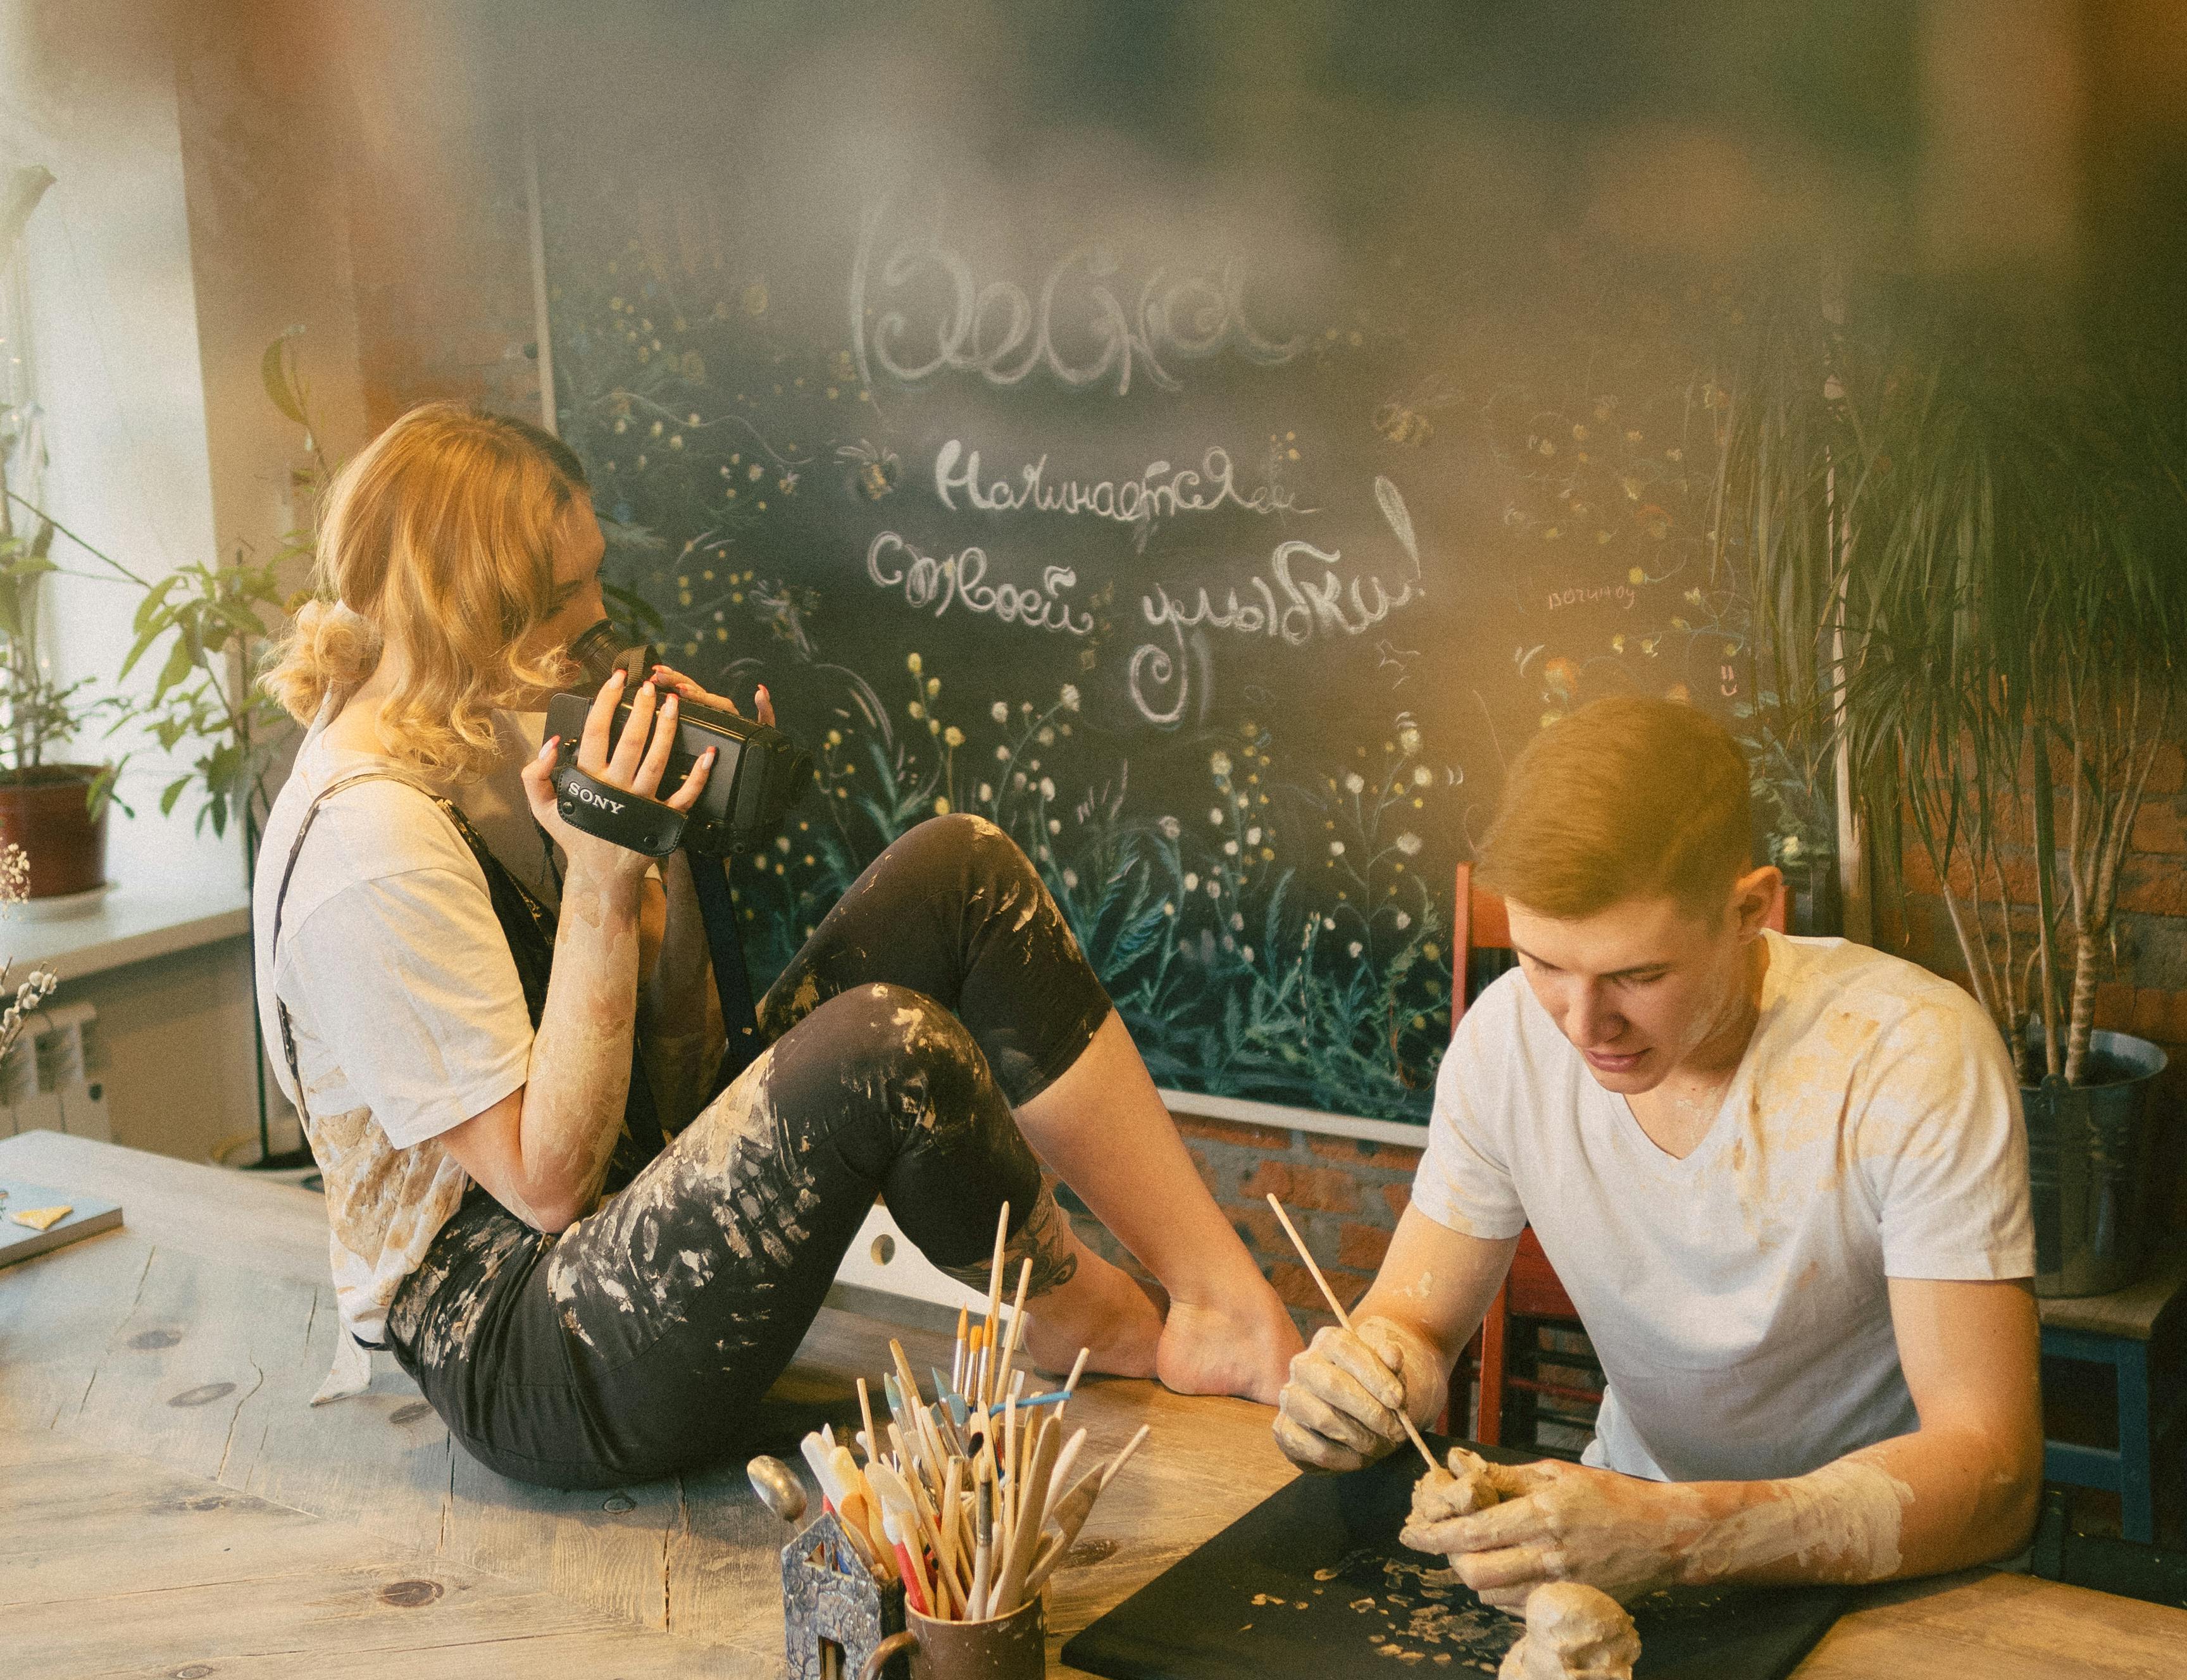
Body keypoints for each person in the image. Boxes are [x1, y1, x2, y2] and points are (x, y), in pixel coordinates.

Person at [256, 403, 1299, 1491]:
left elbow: (674, 1075)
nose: (598, 612)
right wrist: (605, 878)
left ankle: (1221, 1298)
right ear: (469, 605)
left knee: (962, 872)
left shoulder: (499, 722)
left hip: (633, 1227)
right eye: (567, 596)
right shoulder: (368, 842)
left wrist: (669, 847)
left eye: (590, 575)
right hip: (538, 1354)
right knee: (878, 1046)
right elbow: (548, 1185)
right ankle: (1075, 1306)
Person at [1273, 695, 2043, 1602]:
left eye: (1637, 976)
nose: (1583, 1023)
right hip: (1624, 1531)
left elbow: (1994, 1475)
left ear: (1752, 908)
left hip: (1885, 1563)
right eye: (1544, 963)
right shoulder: (1506, 1040)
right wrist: (1366, 1379)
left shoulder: (1912, 1054)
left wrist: (1681, 1537)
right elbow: (1416, 1320)